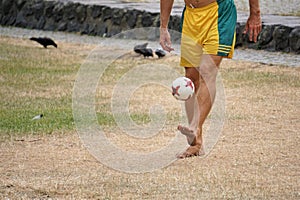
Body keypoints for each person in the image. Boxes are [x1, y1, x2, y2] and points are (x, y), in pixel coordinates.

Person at [159, 0, 262, 158]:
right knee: (191, 80)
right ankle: (197, 144)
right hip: (191, 16)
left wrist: (255, 14)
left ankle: (194, 126)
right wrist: (163, 27)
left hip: (219, 14)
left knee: (207, 70)